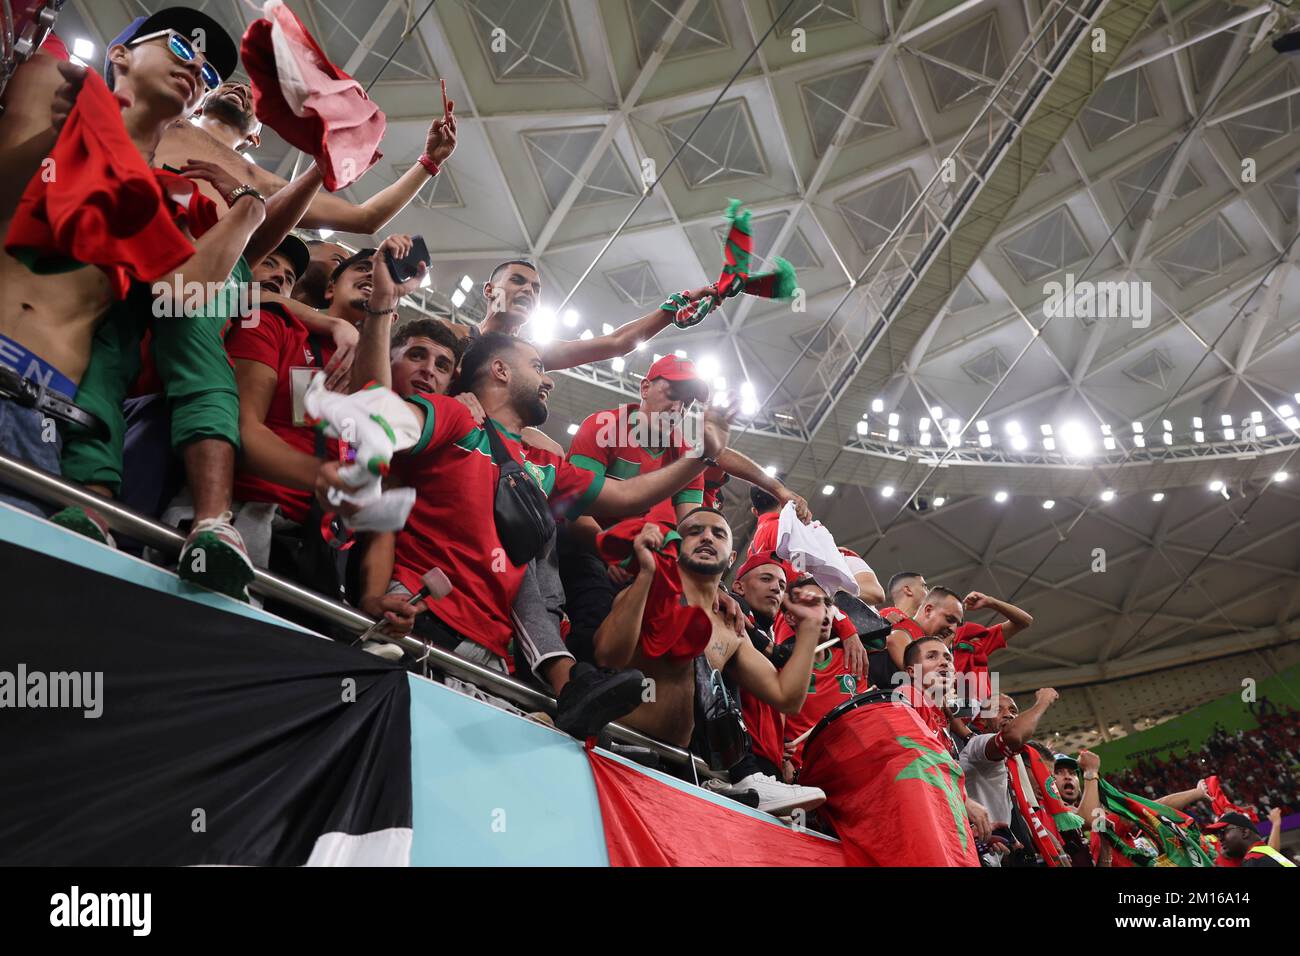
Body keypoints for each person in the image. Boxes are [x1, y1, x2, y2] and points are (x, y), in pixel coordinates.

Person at [592, 510, 824, 757]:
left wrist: (810, 629)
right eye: (694, 532)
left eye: (718, 534)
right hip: (611, 744)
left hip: (673, 765)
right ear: (677, 546)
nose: (706, 538)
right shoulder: (648, 592)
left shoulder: (730, 626)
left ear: (732, 557)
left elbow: (786, 697)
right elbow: (608, 655)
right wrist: (647, 574)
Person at [958, 691, 1059, 865]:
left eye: (1013, 710)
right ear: (982, 720)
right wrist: (1043, 701)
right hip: (970, 857)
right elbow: (1014, 735)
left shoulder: (1010, 763)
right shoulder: (978, 745)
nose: (1009, 714)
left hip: (987, 855)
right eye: (998, 709)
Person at [950, 591, 1033, 712]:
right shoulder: (925, 649)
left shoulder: (971, 640)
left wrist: (990, 601)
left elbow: (1025, 621)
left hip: (986, 718)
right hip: (952, 720)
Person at [876, 585, 964, 691]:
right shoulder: (901, 628)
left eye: (957, 624)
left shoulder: (926, 642)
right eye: (950, 619)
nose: (953, 629)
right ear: (928, 610)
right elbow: (893, 641)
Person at [1207, 810, 1294, 867]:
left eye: (1223, 832)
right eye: (1218, 835)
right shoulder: (1266, 852)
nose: (1220, 839)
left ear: (1245, 832)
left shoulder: (1254, 860)